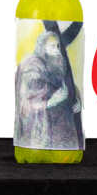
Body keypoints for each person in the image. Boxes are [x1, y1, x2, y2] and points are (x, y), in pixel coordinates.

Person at [17, 21, 84, 150]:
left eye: (58, 46)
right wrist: (52, 101)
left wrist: (76, 99)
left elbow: (66, 83)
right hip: (42, 127)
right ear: (43, 47)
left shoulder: (58, 62)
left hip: (63, 124)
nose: (57, 50)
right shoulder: (33, 66)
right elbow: (28, 102)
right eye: (52, 46)